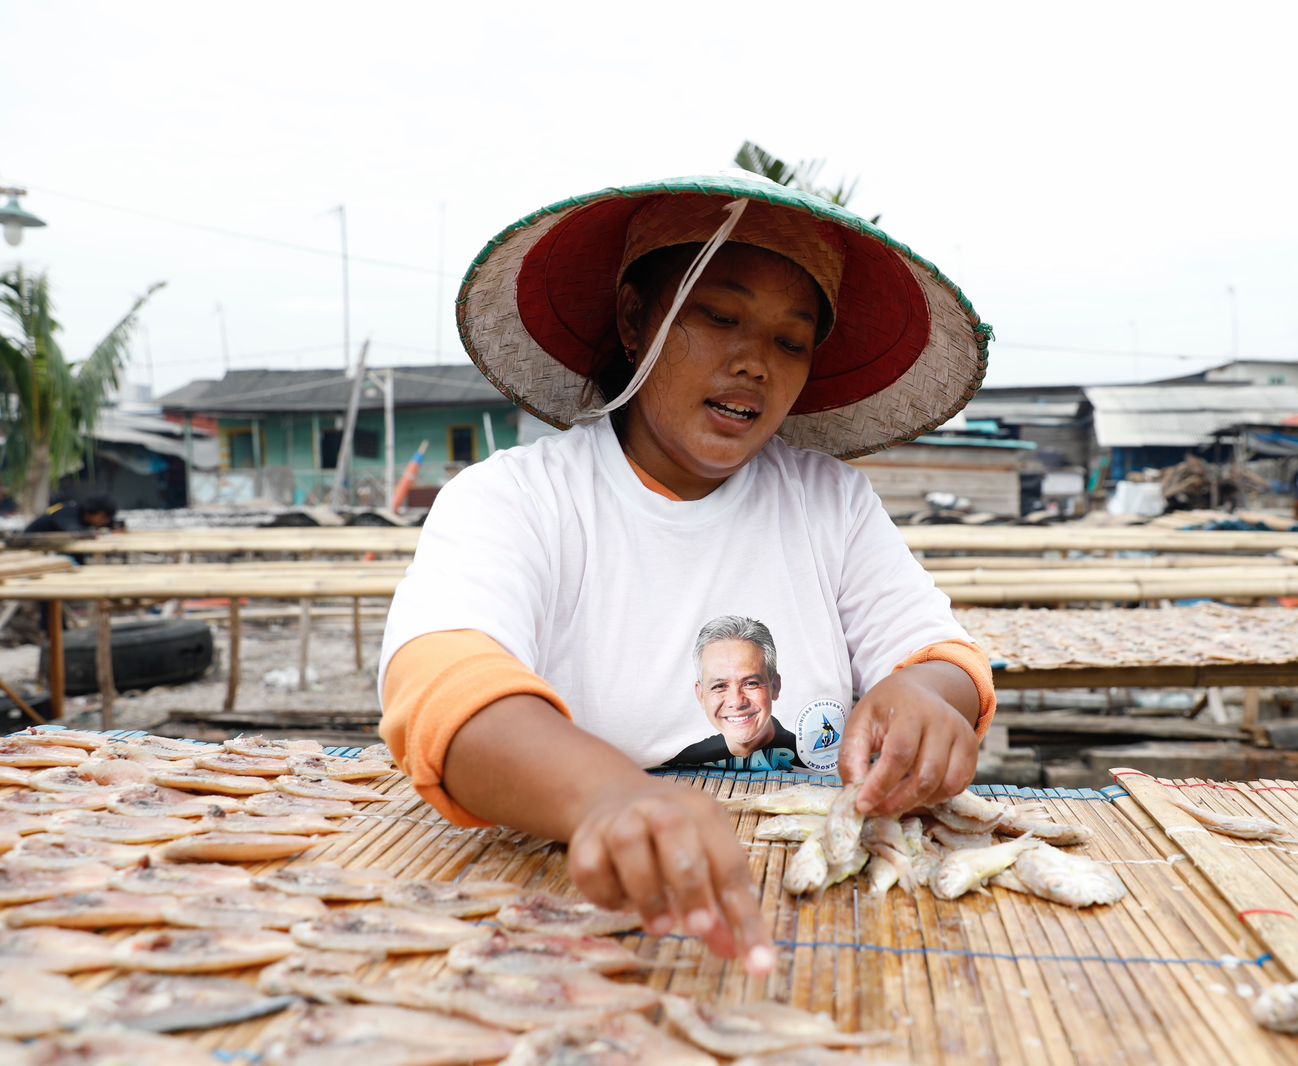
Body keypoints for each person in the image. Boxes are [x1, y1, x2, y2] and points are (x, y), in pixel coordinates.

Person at [378, 175, 995, 976]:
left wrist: (926, 697)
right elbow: (443, 690)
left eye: (790, 340)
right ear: (636, 321)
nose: (754, 363)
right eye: (720, 317)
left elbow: (938, 655)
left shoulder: (828, 503)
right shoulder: (519, 500)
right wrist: (607, 798)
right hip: (586, 917)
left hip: (831, 923)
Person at [668, 616, 799, 771]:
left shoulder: (809, 760)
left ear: (775, 687)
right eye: (720, 686)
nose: (736, 701)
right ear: (701, 695)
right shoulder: (683, 762)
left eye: (751, 683)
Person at [23, 494, 118, 535]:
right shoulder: (69, 511)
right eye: (103, 517)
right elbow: (73, 531)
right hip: (27, 543)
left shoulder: (84, 517)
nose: (105, 522)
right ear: (91, 512)